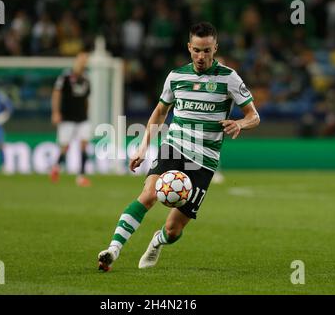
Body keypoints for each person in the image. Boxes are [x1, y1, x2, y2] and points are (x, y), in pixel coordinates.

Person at [97, 22, 260, 271]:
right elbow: (160, 111)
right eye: (196, 50)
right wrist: (143, 147)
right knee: (149, 194)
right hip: (175, 146)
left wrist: (240, 123)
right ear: (189, 47)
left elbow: (254, 116)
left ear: (215, 48)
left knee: (173, 230)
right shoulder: (176, 76)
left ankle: (157, 241)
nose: (201, 56)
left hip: (204, 161)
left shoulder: (229, 78)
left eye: (206, 50)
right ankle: (113, 249)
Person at [50, 52, 91, 187]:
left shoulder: (86, 79)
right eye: (82, 60)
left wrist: (87, 113)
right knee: (65, 147)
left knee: (84, 144)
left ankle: (81, 176)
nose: (84, 63)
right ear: (76, 61)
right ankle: (56, 167)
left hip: (82, 118)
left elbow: (86, 99)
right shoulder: (65, 77)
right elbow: (56, 93)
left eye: (85, 61)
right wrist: (56, 112)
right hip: (67, 117)